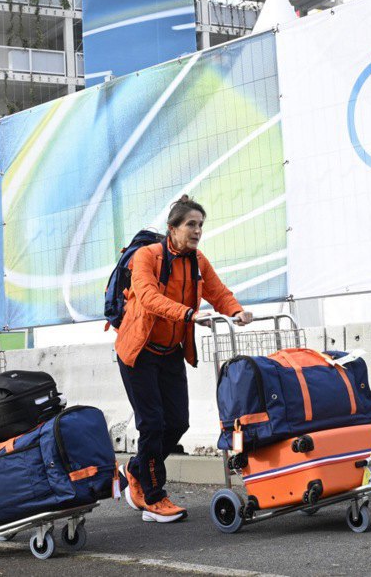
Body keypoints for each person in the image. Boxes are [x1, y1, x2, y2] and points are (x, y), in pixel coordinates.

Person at [114, 195, 252, 523]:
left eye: (201, 225)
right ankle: (153, 498)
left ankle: (135, 470)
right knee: (152, 424)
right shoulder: (147, 256)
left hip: (170, 352)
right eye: (191, 224)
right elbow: (148, 297)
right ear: (172, 228)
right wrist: (189, 314)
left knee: (177, 422)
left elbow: (217, 292)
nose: (197, 230)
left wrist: (236, 311)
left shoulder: (197, 260)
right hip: (139, 351)